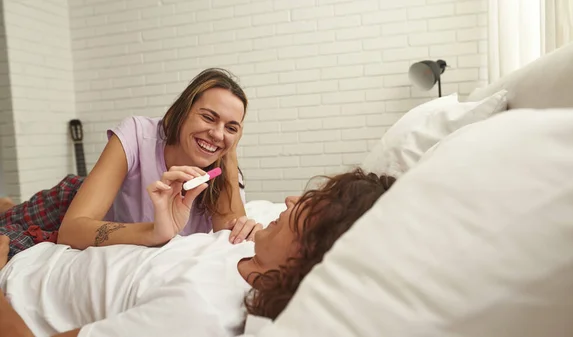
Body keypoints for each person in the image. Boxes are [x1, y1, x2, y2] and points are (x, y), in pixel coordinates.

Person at [0, 168, 396, 337]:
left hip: (12, 284)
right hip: (38, 248)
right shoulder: (246, 242)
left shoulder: (199, 313)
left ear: (318, 246)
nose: (290, 200)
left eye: (309, 204)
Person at [0, 68, 261, 260]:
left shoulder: (224, 174)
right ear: (182, 112)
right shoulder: (138, 133)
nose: (217, 133)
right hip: (69, 201)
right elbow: (72, 229)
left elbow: (231, 236)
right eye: (208, 117)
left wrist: (228, 153)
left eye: (231, 127)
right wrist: (155, 232)